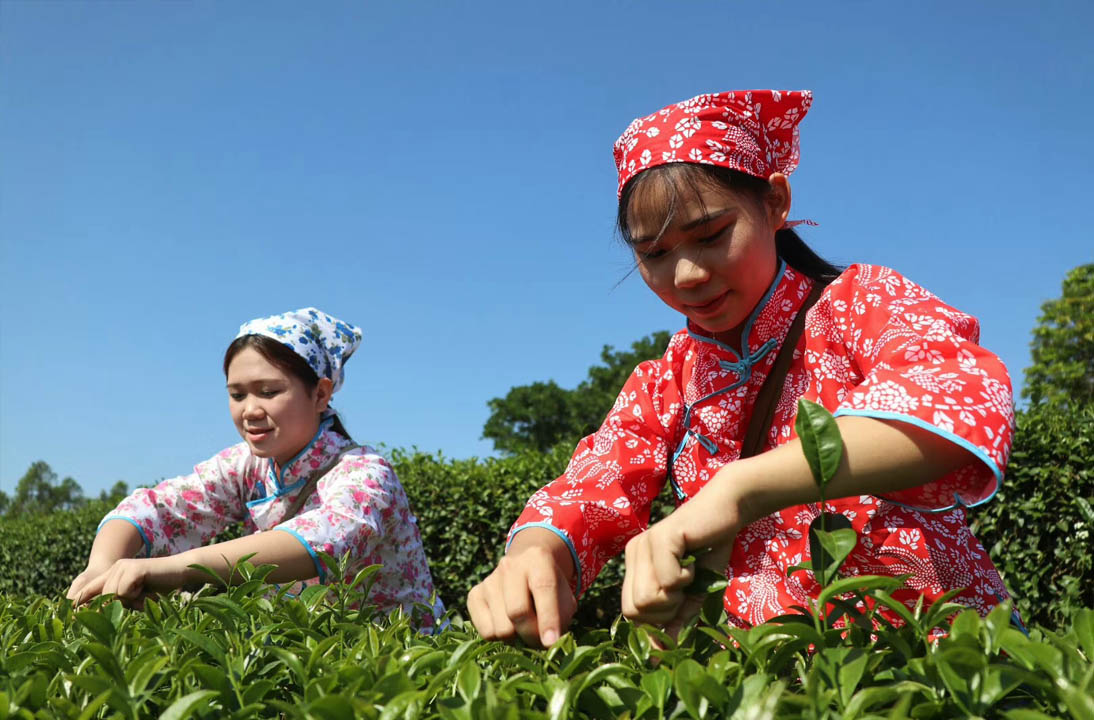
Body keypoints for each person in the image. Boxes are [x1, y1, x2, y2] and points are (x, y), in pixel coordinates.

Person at [467, 90, 1017, 647]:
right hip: (768, 682)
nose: (684, 274)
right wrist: (535, 552)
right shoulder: (667, 380)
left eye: (710, 236)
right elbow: (595, 483)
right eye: (654, 254)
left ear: (775, 202)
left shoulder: (860, 305)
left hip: (936, 659)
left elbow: (957, 404)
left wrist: (739, 489)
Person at [67, 308, 442, 623]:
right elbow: (158, 507)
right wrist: (102, 565)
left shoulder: (364, 472)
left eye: (269, 392)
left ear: (321, 394)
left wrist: (177, 570)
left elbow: (324, 538)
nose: (250, 410)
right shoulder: (246, 466)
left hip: (404, 666)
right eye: (237, 394)